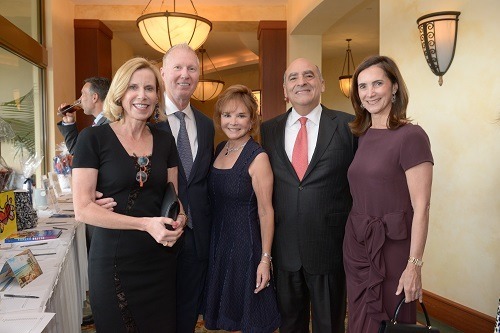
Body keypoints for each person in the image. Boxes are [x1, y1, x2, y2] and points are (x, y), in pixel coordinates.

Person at [72, 57, 187, 332]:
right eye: (134, 87)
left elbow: (172, 196)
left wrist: (180, 217)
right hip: (112, 262)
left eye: (150, 88)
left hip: (159, 260)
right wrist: (145, 223)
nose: (142, 95)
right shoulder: (93, 138)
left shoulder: (165, 140)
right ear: (120, 93)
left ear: (157, 96)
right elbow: (83, 208)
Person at [260, 58, 357, 332]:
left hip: (330, 248)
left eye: (308, 75)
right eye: (293, 78)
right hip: (285, 249)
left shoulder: (350, 126)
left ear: (322, 84)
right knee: (290, 325)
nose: (301, 82)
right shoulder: (268, 130)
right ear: (284, 90)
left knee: (330, 325)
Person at [343, 55, 434, 332]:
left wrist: (414, 266)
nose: (369, 93)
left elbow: (422, 207)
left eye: (377, 83)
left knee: (388, 322)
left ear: (394, 87)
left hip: (392, 249)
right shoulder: (363, 135)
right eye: (362, 86)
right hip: (357, 245)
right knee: (359, 320)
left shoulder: (412, 136)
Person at [203, 84, 281, 332]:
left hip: (246, 249)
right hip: (220, 245)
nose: (233, 122)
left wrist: (265, 260)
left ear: (252, 121)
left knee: (249, 320)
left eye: (241, 115)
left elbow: (266, 211)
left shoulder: (258, 157)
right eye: (227, 115)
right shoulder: (220, 149)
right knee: (228, 321)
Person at [156, 43, 215, 332]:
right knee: (156, 312)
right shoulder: (148, 120)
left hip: (196, 236)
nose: (184, 74)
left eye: (192, 68)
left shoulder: (206, 125)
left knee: (187, 314)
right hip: (157, 236)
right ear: (163, 72)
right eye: (177, 67)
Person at [57, 76, 110, 154]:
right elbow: (77, 152)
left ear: (94, 97)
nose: (79, 99)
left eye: (82, 94)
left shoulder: (107, 126)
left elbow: (79, 155)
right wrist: (69, 123)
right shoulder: (101, 123)